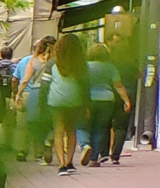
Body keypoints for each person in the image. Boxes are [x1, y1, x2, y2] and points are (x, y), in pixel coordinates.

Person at [88, 42, 135, 165]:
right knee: (100, 128)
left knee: (89, 128)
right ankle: (94, 158)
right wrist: (126, 100)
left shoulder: (85, 66)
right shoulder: (110, 67)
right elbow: (118, 85)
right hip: (107, 99)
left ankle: (89, 149)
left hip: (88, 99)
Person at [50, 33, 90, 175]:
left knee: (58, 132)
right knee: (71, 131)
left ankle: (61, 164)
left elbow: (45, 84)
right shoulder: (82, 65)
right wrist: (86, 105)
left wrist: (42, 103)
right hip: (75, 100)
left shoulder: (53, 63)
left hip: (56, 100)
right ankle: (69, 162)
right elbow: (86, 86)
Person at [20, 36, 57, 163]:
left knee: (33, 122)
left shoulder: (33, 60)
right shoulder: (56, 61)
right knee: (52, 121)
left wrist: (19, 93)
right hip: (53, 91)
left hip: (36, 91)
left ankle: (33, 151)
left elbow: (25, 79)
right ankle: (49, 140)